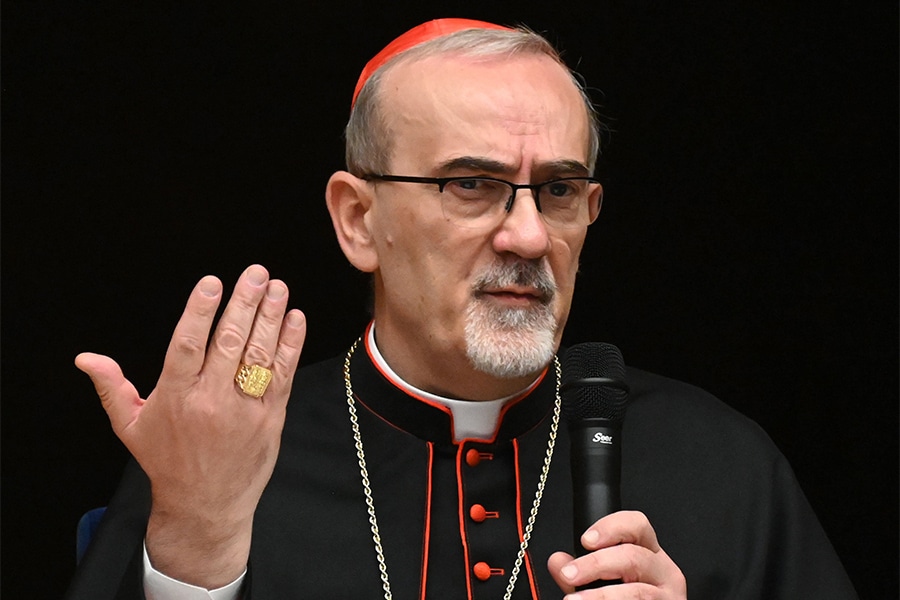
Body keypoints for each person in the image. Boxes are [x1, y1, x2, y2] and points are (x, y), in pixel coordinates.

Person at [65, 18, 857, 600]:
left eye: (559, 189)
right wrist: (197, 538)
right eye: (471, 185)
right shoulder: (222, 458)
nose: (529, 234)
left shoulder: (721, 463)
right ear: (358, 220)